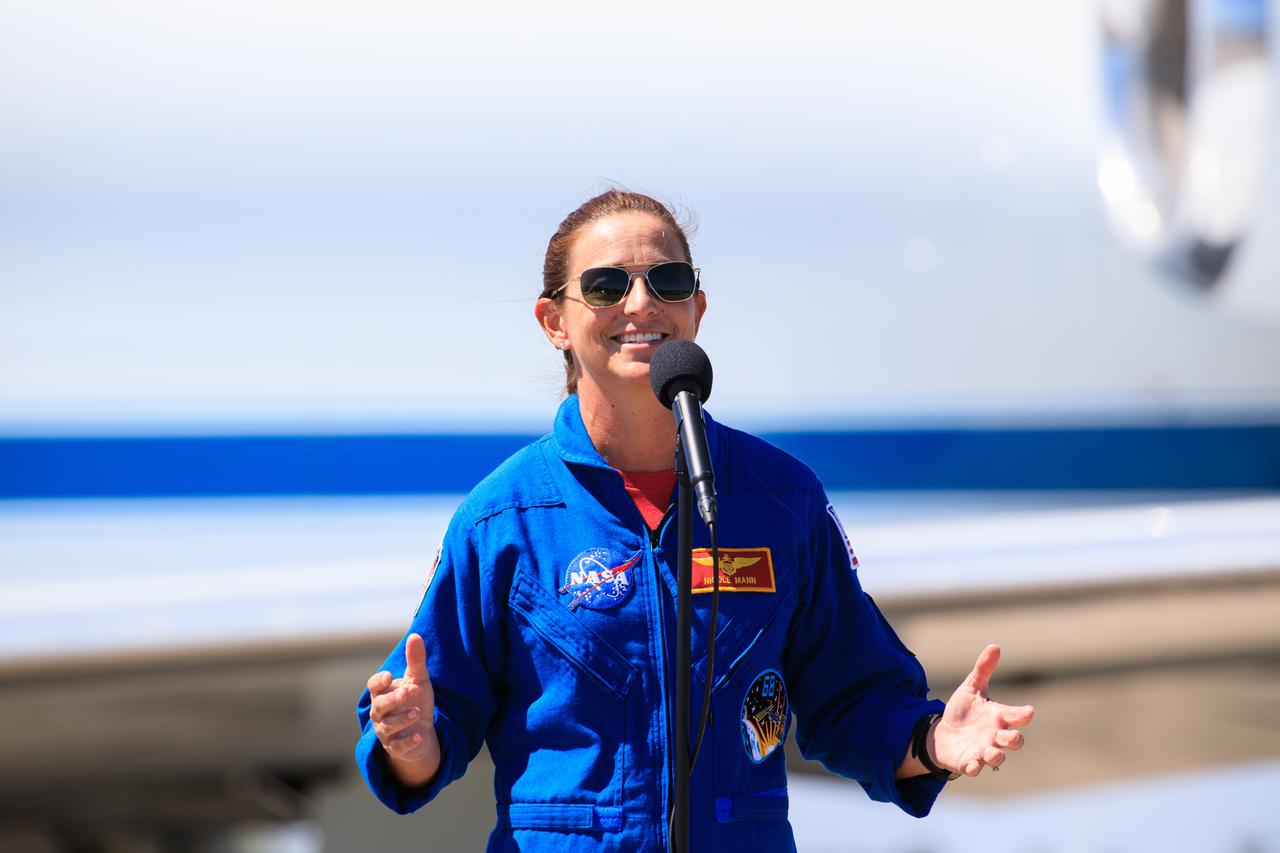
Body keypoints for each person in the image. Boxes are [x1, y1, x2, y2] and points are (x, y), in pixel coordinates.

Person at [355, 189, 1034, 851]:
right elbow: (432, 719)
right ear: (553, 321)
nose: (641, 302)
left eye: (668, 281)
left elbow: (853, 697)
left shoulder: (781, 498)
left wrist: (931, 740)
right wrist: (412, 741)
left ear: (697, 309)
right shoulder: (505, 517)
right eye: (605, 285)